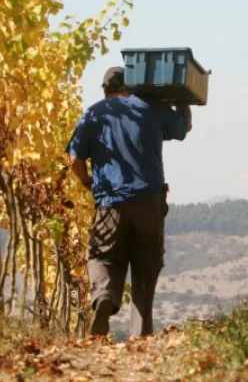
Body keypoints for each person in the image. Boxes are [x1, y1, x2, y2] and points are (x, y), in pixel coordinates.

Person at [67, 66, 192, 337]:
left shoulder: (93, 113)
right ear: (133, 86)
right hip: (149, 200)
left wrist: (86, 181)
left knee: (102, 256)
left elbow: (75, 160)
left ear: (105, 90)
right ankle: (140, 334)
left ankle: (104, 297)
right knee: (146, 266)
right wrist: (183, 99)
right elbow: (183, 128)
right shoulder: (151, 107)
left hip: (110, 202)